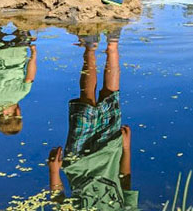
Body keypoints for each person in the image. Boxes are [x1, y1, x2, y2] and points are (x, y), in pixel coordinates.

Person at [48, 30, 138, 210]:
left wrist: (53, 172)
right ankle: (113, 43)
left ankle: (90, 47)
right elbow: (125, 183)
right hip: (111, 151)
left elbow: (59, 202)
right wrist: (126, 149)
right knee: (111, 95)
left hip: (79, 159)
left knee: (86, 101)